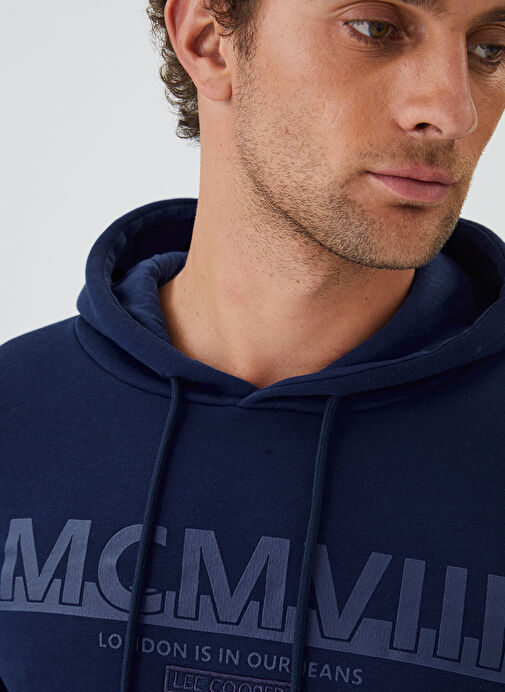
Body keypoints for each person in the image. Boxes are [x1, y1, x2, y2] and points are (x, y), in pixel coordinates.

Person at [1, 0, 505, 690]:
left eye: (489, 48)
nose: (452, 112)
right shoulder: (15, 415)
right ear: (210, 40)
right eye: (375, 29)